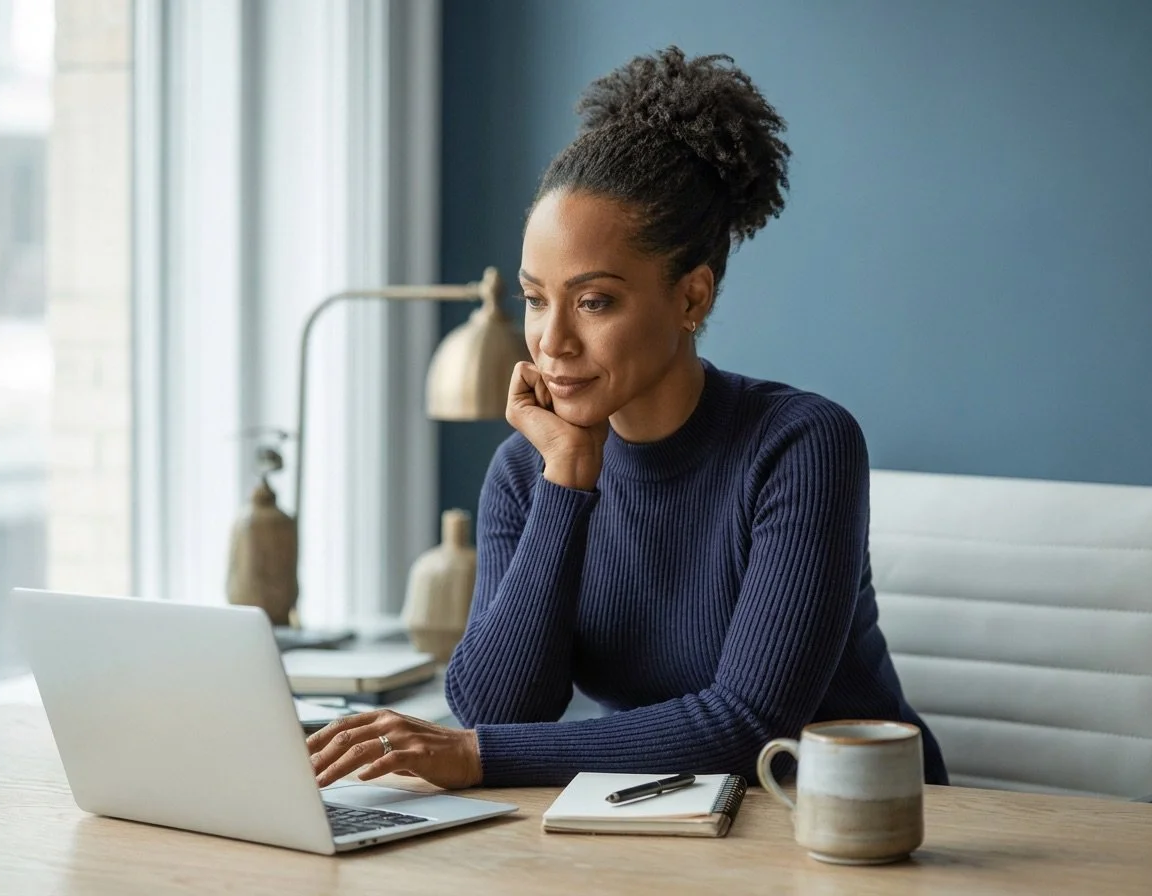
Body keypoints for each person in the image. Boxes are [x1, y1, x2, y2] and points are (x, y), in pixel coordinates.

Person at [309, 46, 948, 790]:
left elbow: (749, 726)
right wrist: (567, 479)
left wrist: (479, 755)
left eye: (594, 301)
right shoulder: (531, 469)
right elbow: (497, 704)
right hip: (667, 823)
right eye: (536, 297)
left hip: (850, 828)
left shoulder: (800, 446)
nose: (551, 341)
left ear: (691, 297)